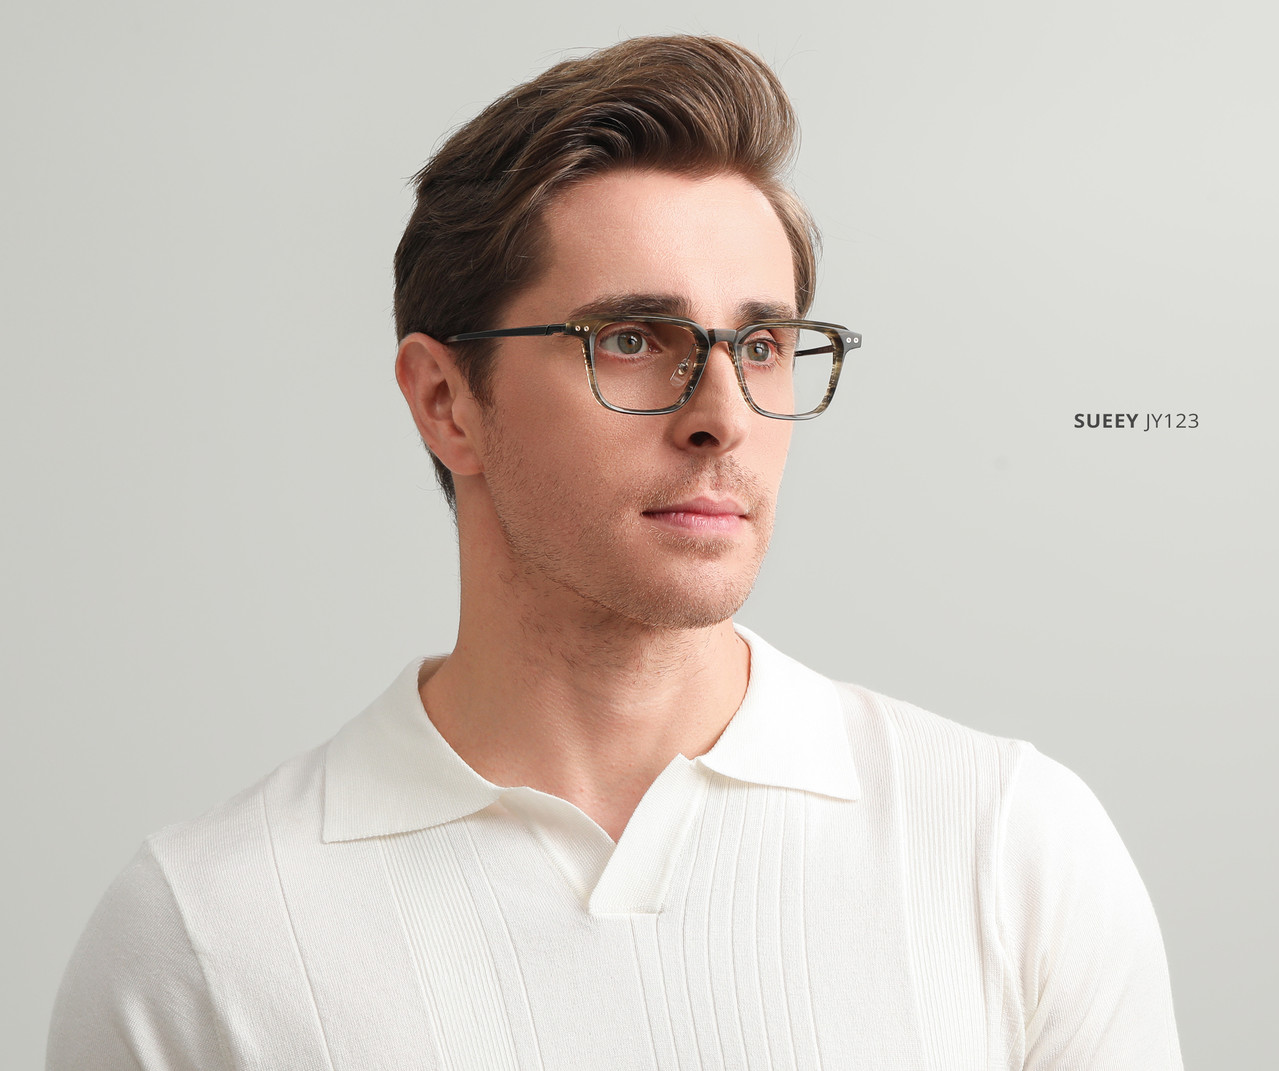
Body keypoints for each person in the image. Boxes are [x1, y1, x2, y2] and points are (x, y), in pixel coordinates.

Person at [48, 35, 1182, 1070]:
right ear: (445, 401)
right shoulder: (206, 937)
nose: (722, 415)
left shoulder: (1006, 848)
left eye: (762, 343)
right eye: (633, 339)